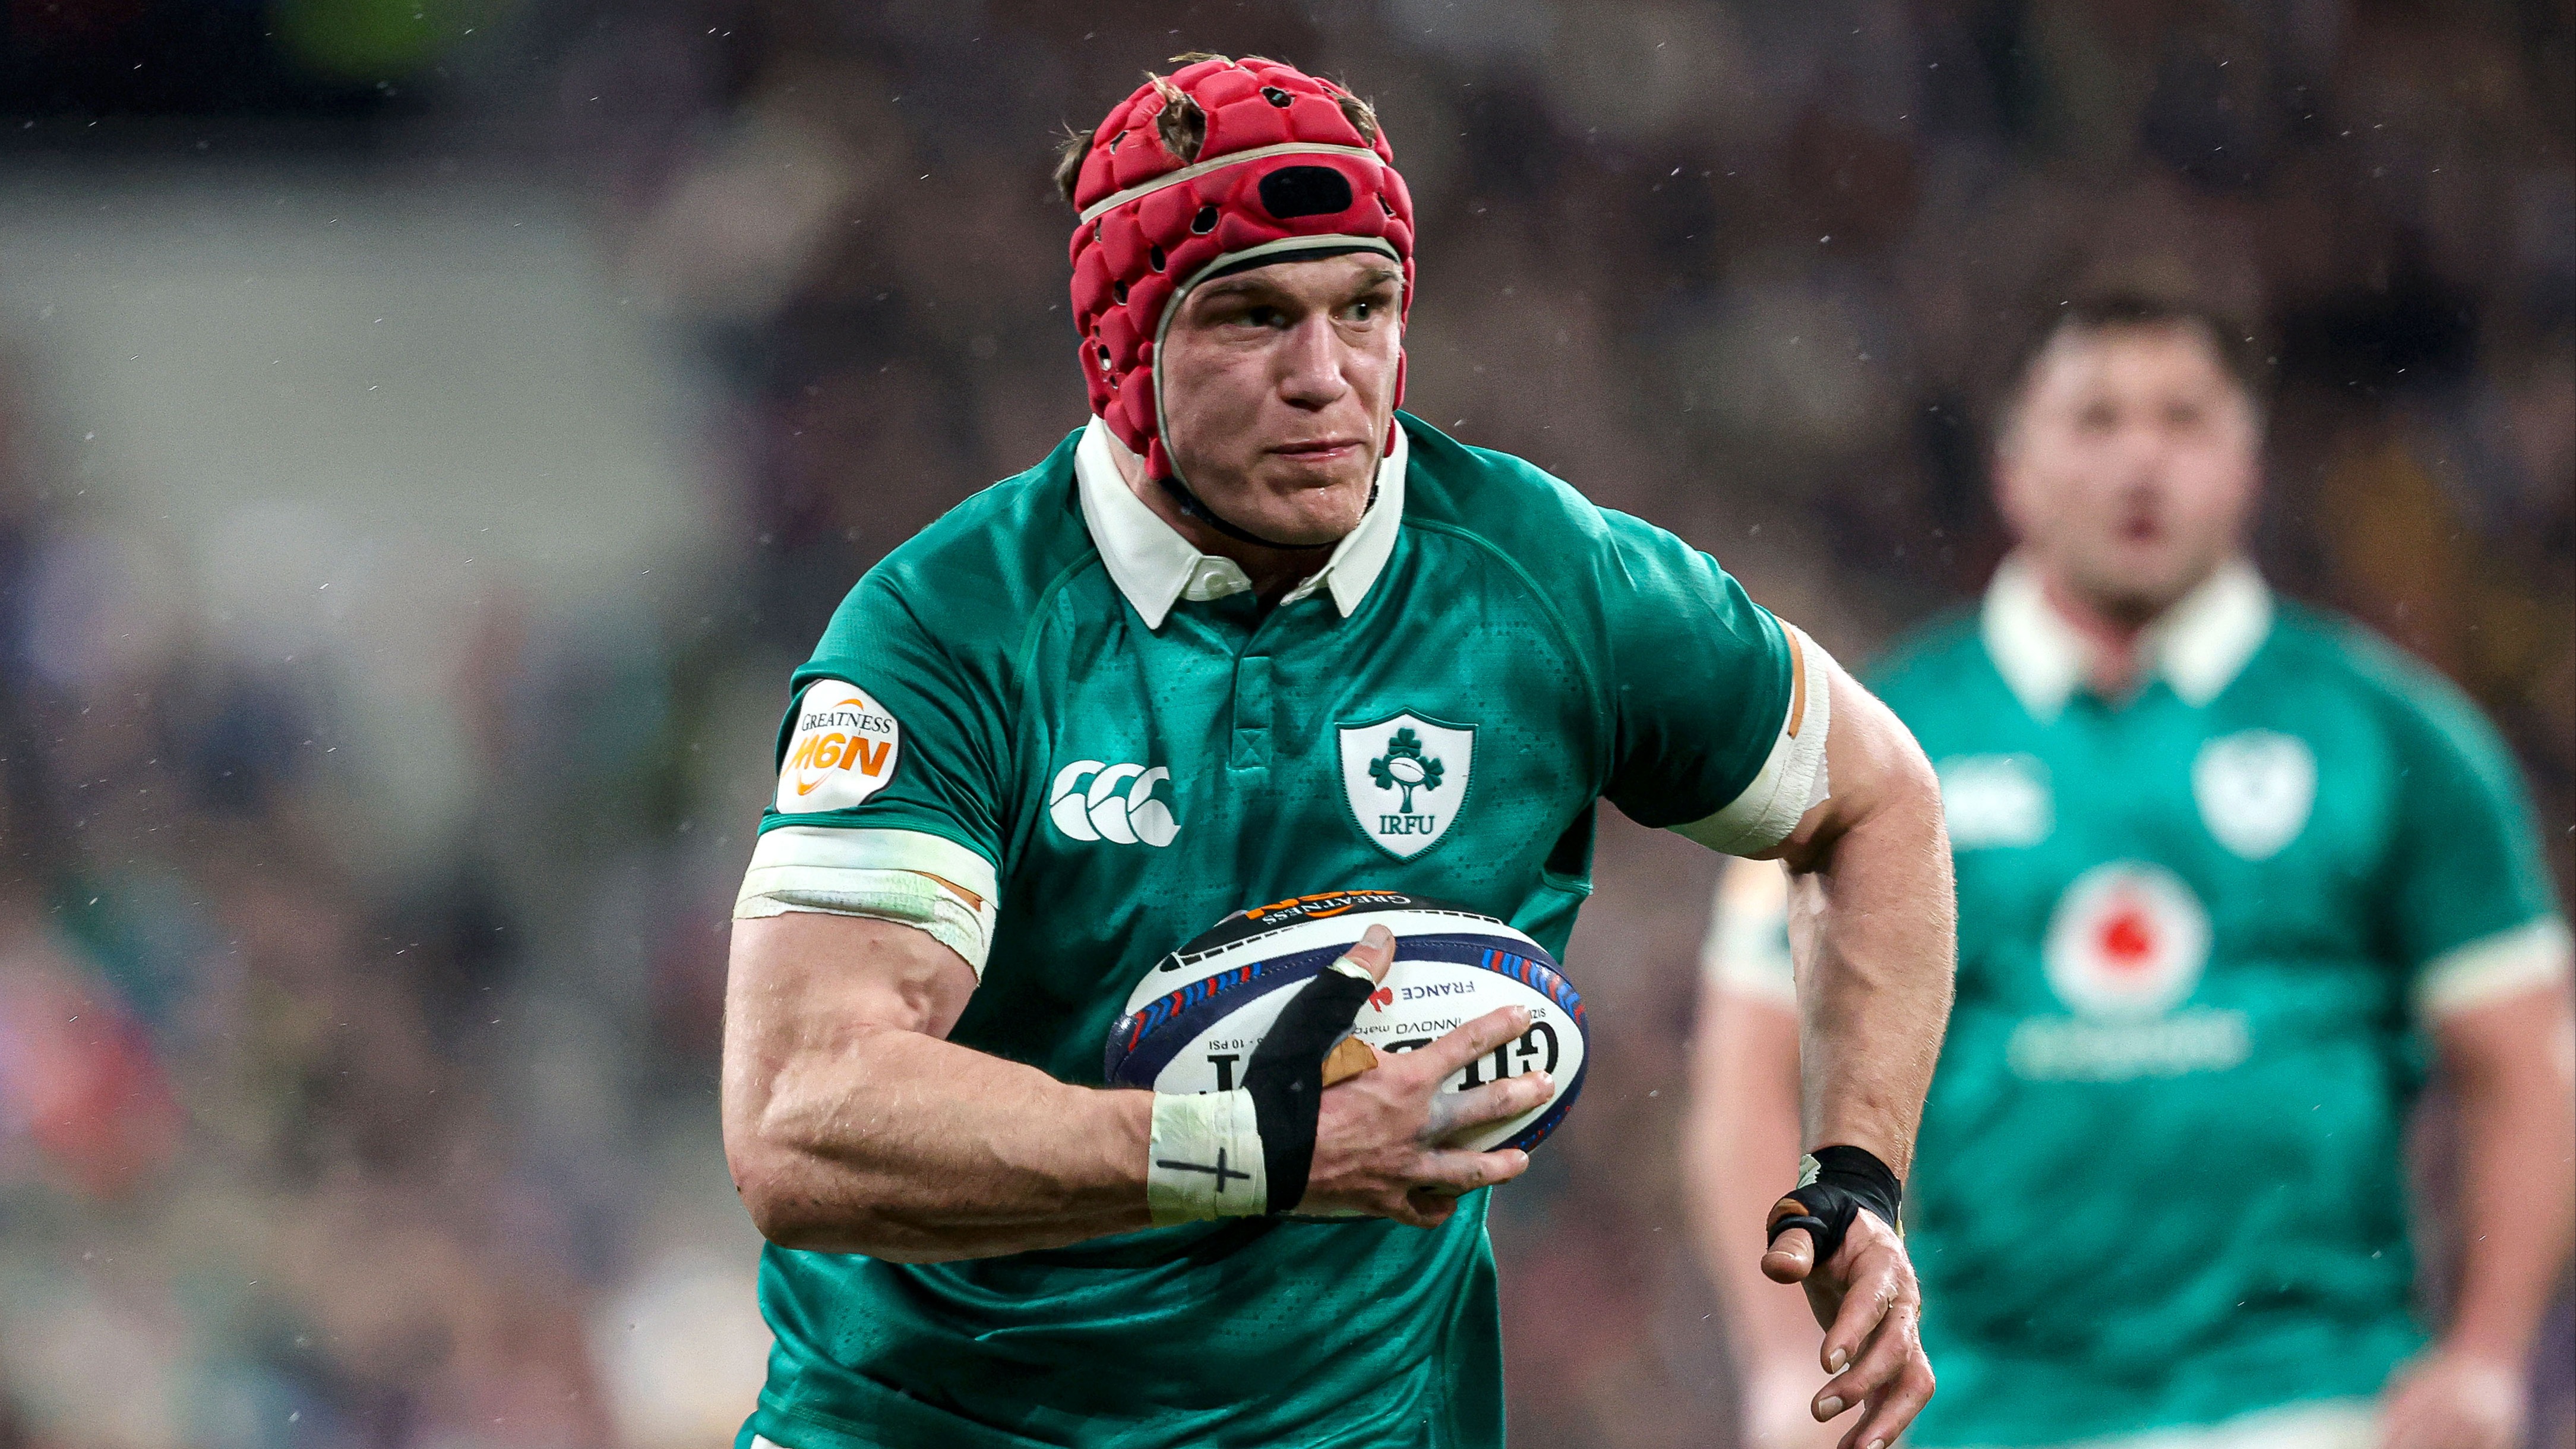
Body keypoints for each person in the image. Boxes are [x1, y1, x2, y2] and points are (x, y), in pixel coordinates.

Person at [720, 52, 1955, 1449]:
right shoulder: (944, 633)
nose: (1328, 377)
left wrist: (1860, 1173)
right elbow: (801, 1112)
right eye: (1253, 316)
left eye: (1365, 306)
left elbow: (1876, 799)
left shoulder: (1541, 580)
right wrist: (1254, 1152)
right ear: (1121, 346)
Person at [1684, 284, 2576, 1449]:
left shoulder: (2399, 736)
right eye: (2097, 420)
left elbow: (2524, 1061)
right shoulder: (1875, 737)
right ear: (2014, 468)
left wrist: (2488, 1358)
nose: (2141, 460)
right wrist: (1782, 1367)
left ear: (2247, 464)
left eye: (2183, 419)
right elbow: (1746, 1072)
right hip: (1980, 1408)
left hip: (2318, 1398)